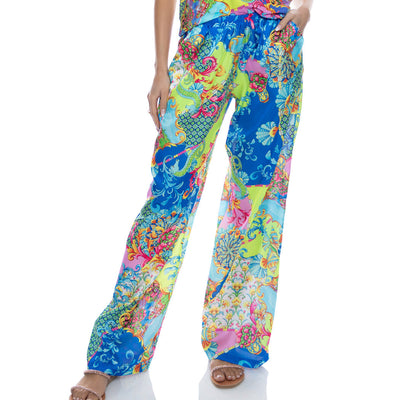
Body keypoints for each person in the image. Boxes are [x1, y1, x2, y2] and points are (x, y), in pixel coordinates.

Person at [69, 0, 313, 397]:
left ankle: (233, 342)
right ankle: (114, 352)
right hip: (205, 41)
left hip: (274, 39)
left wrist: (305, 8)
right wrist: (160, 68)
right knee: (168, 199)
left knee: (254, 200)